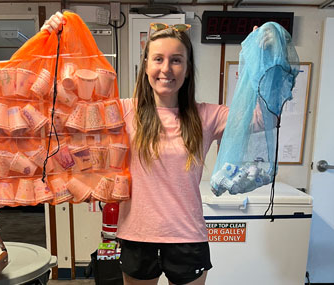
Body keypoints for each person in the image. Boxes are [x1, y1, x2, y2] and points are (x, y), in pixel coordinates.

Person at [42, 12, 258, 285]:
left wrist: (258, 60)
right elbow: (62, 106)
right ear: (146, 66)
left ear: (188, 68)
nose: (166, 69)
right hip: (136, 236)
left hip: (187, 237)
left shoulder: (207, 116)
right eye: (158, 59)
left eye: (176, 60)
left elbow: (264, 117)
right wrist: (57, 44)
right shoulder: (122, 111)